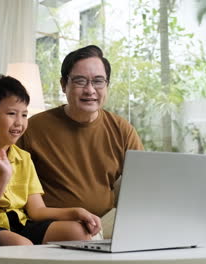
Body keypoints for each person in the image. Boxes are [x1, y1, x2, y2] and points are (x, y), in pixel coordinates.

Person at [18, 45, 144, 238]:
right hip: (57, 226)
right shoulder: (33, 128)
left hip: (105, 224)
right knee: (79, 233)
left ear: (107, 85)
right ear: (63, 84)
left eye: (98, 81)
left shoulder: (121, 129)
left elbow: (143, 183)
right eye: (80, 81)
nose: (90, 90)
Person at [0, 75, 101, 246]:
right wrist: (4, 176)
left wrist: (77, 212)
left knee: (78, 231)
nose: (20, 123)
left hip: (23, 224)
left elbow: (37, 211)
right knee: (22, 245)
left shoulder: (23, 158)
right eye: (11, 114)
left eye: (24, 115)